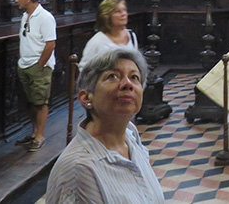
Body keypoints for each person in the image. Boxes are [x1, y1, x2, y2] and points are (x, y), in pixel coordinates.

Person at [46, 48, 163, 203]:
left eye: (134, 77)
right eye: (112, 76)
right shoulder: (79, 170)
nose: (127, 84)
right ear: (86, 97)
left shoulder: (130, 135)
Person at [14, 0, 57, 152]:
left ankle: (40, 136)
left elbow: (50, 44)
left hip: (38, 67)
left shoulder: (45, 17)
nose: (16, 0)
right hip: (24, 65)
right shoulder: (25, 16)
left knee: (40, 102)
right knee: (30, 101)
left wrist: (40, 65)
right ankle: (33, 133)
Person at [80, 0, 138, 68]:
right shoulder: (97, 42)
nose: (123, 14)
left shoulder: (131, 36)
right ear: (107, 16)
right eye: (118, 11)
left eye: (124, 10)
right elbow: (84, 69)